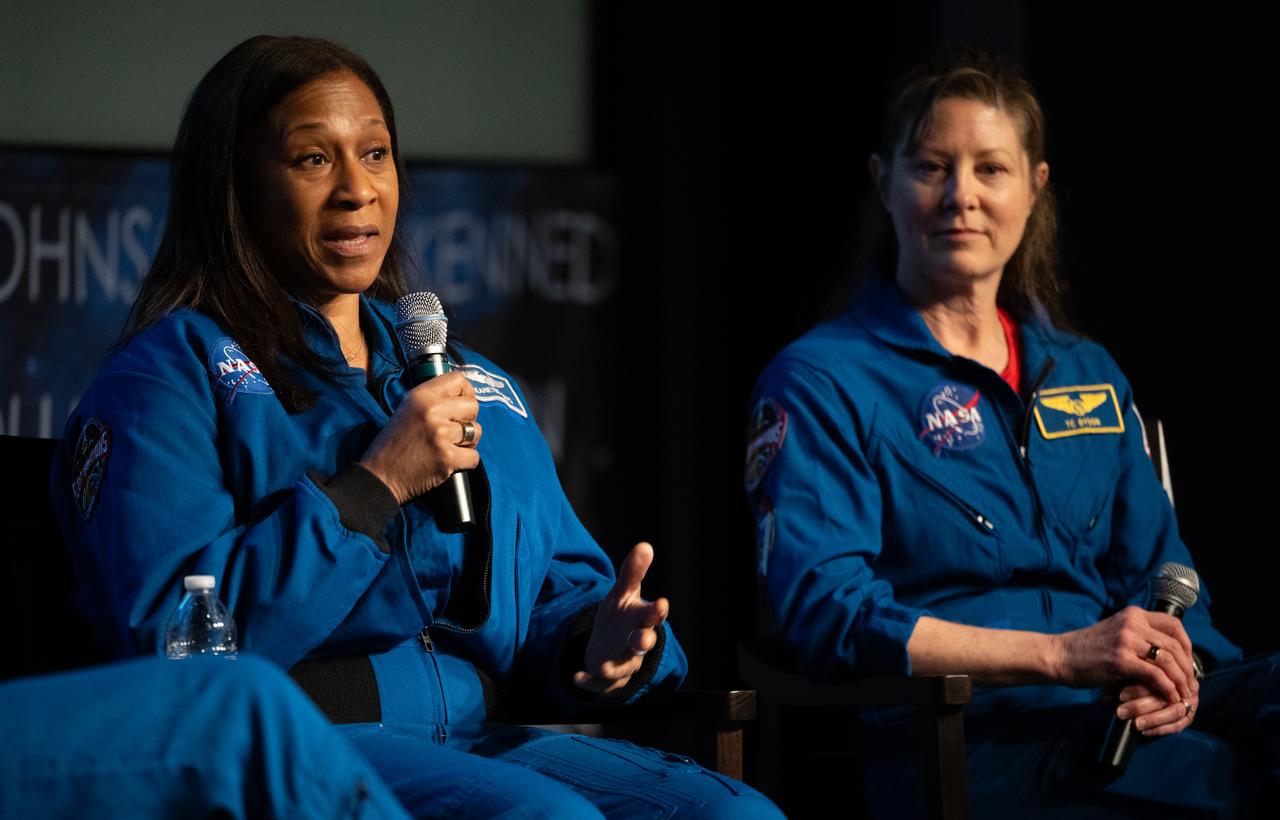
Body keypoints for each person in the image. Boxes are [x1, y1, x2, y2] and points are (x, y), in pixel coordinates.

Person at [50, 35, 780, 819]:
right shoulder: (167, 380)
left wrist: (595, 646)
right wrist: (374, 487)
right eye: (311, 160)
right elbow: (174, 642)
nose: (357, 191)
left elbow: (555, 595)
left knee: (736, 814)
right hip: (292, 743)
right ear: (233, 187)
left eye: (375, 154)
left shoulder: (467, 381)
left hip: (477, 739)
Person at [746, 47, 1276, 818]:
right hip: (965, 735)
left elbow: (1162, 573)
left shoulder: (1085, 370)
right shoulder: (823, 380)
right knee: (1215, 785)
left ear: (1034, 189)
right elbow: (828, 613)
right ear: (882, 184)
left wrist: (1176, 665)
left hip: (1121, 713)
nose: (961, 195)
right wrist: (1060, 657)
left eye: (990, 169)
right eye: (931, 166)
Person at [0, 656, 411, 819]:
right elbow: (173, 621)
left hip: (455, 719)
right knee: (243, 711)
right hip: (336, 723)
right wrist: (373, 493)